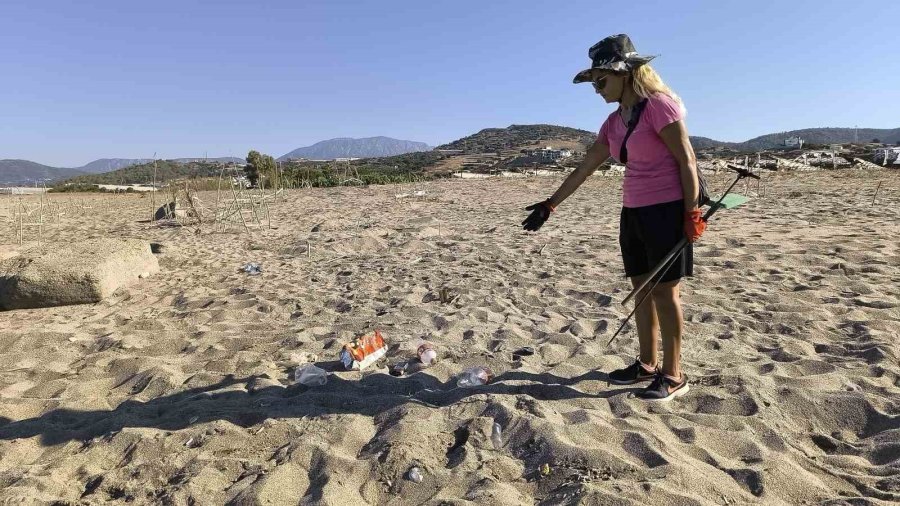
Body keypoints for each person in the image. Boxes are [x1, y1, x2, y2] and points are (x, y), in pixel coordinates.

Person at [521, 34, 706, 401]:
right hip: (633, 210)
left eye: (601, 80)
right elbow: (585, 168)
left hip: (667, 210)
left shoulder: (659, 107)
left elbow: (687, 160)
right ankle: (647, 364)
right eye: (593, 82)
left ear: (625, 74)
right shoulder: (613, 123)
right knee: (640, 288)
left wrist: (692, 212)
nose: (596, 88)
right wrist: (549, 205)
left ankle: (674, 375)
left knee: (665, 293)